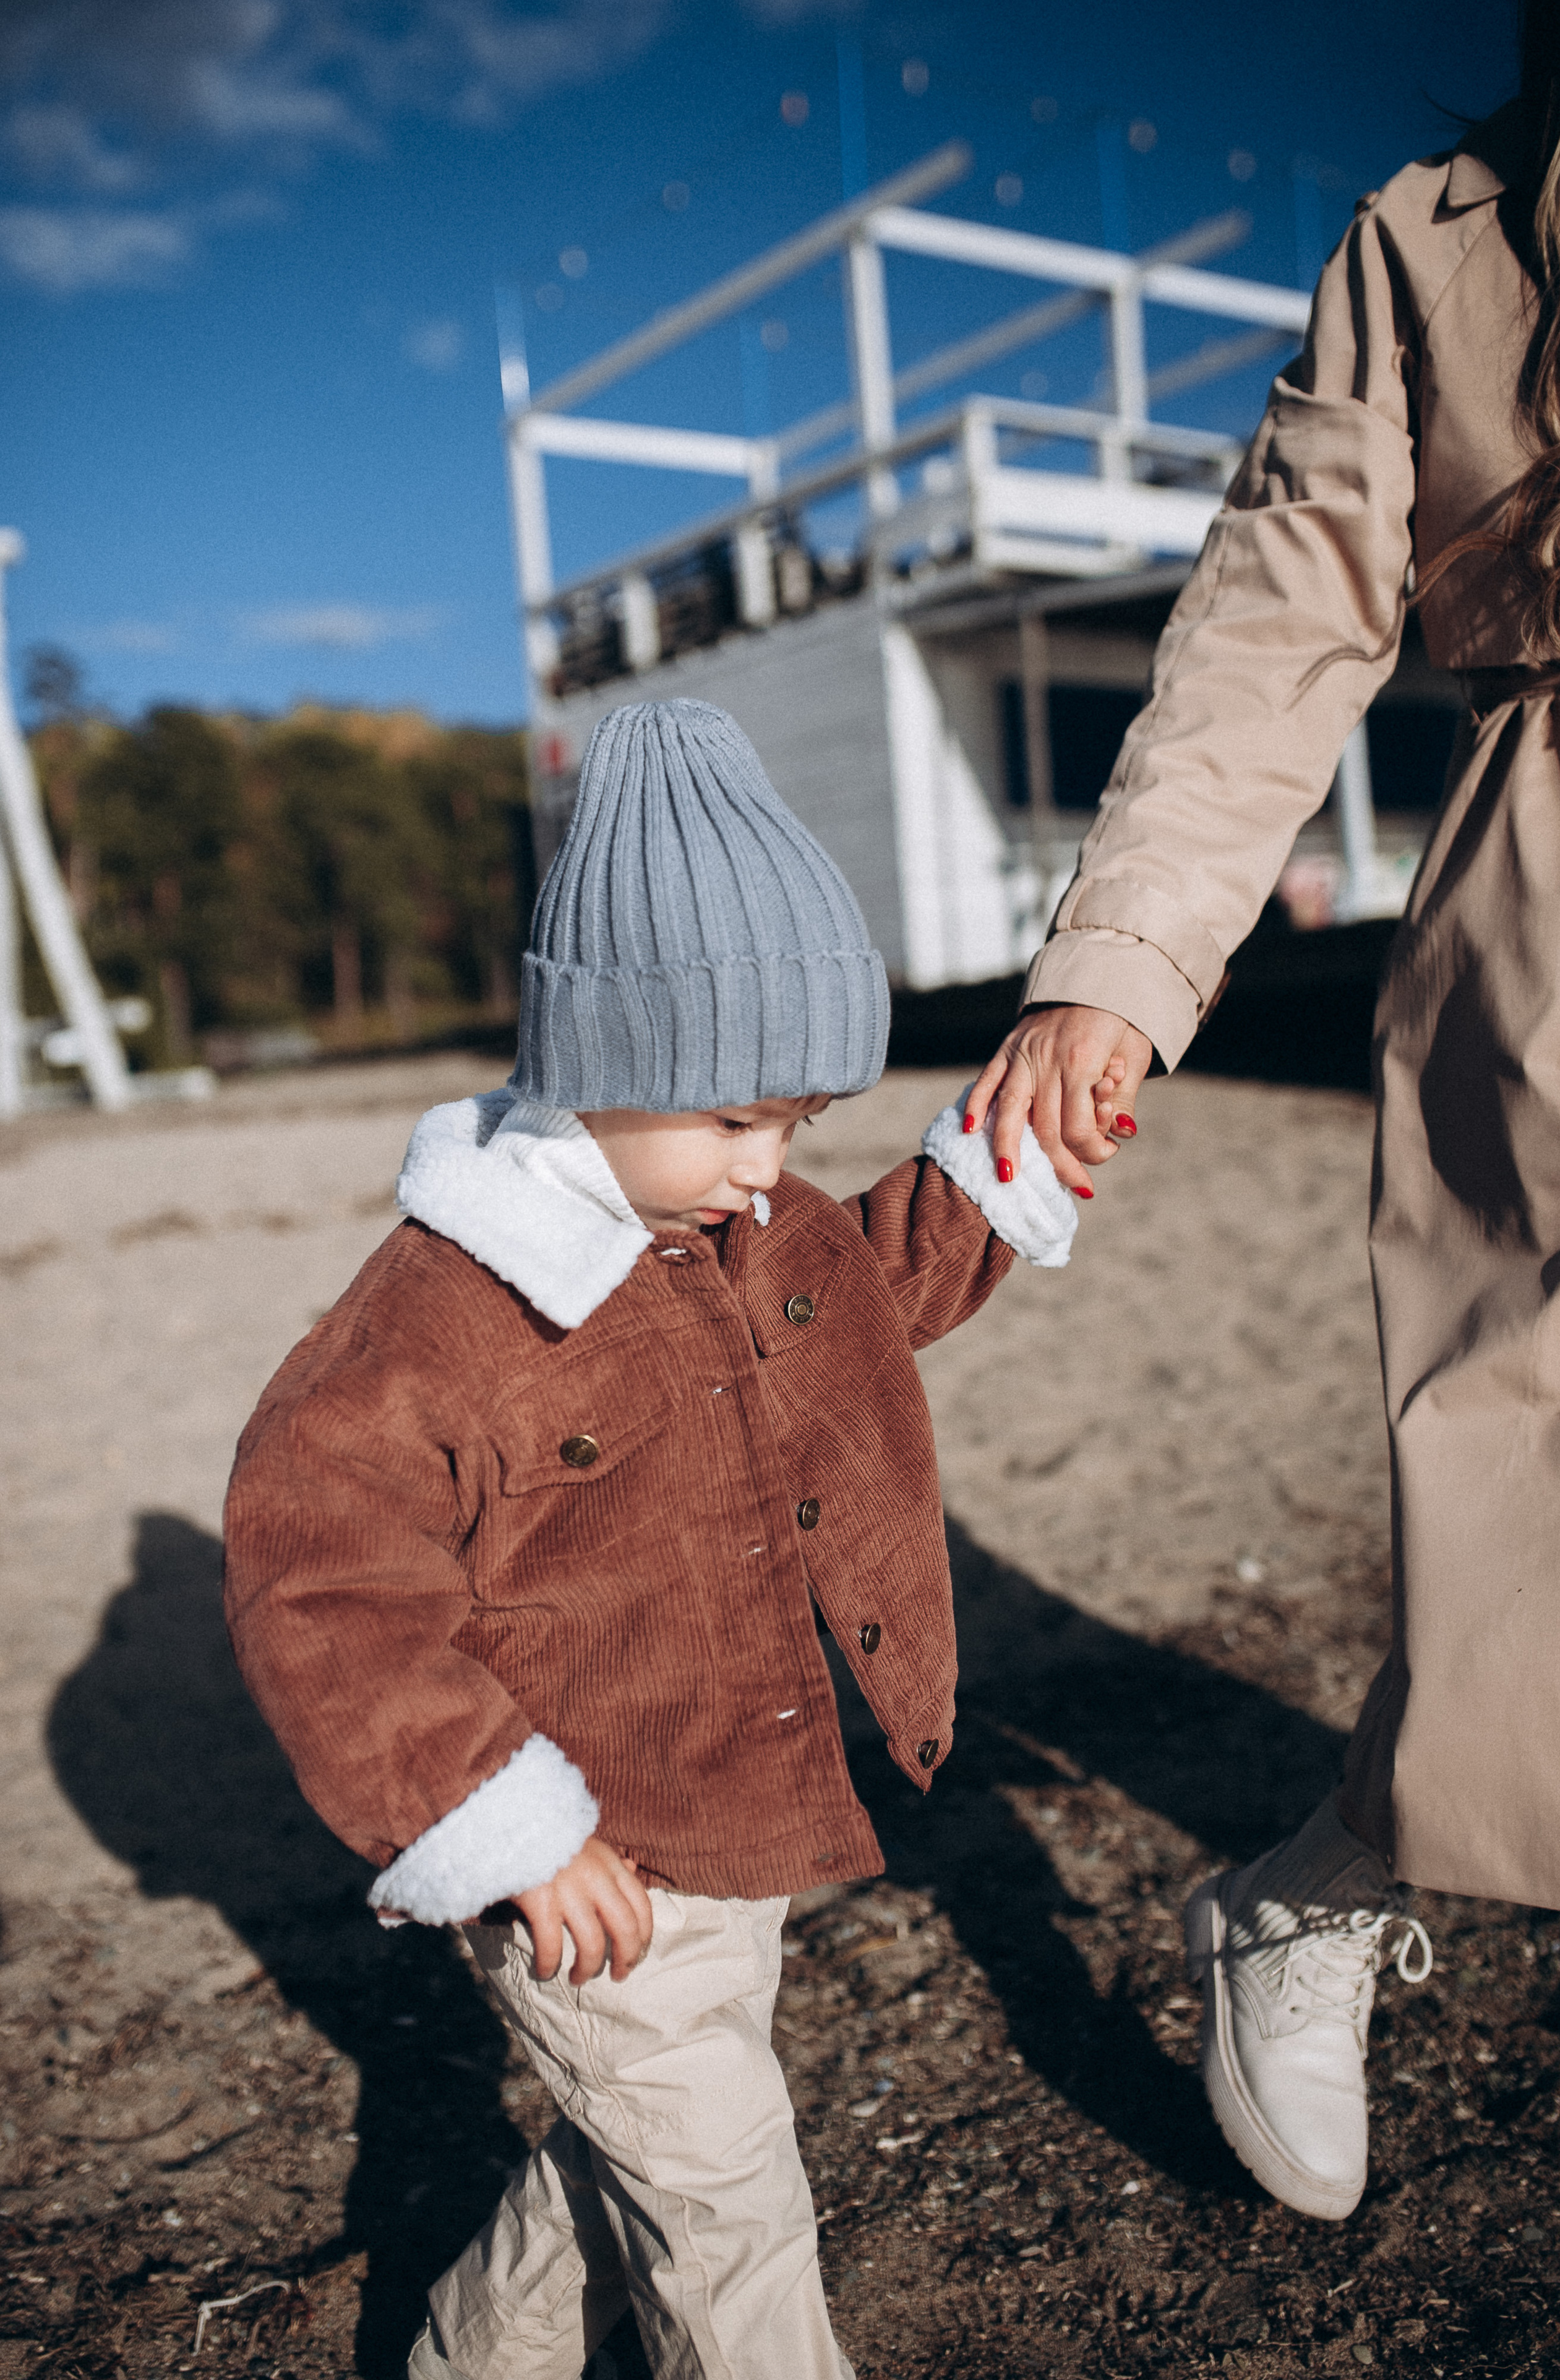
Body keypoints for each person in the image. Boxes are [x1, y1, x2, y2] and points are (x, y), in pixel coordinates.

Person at [223, 697, 1078, 2380]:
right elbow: (322, 1575)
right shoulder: (447, 1318)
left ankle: (474, 2359)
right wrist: (501, 1825)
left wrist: (1006, 1167)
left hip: (728, 1805)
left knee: (647, 2154)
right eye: (738, 1120)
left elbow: (872, 1282)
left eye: (800, 1124)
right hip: (582, 1857)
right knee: (731, 2210)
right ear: (604, 1069)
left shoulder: (739, 1212)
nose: (769, 1172)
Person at [966, 0, 1560, 2227]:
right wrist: (1120, 971)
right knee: (1532, 1484)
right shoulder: (1438, 245)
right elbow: (1275, 619)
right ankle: (1317, 1893)